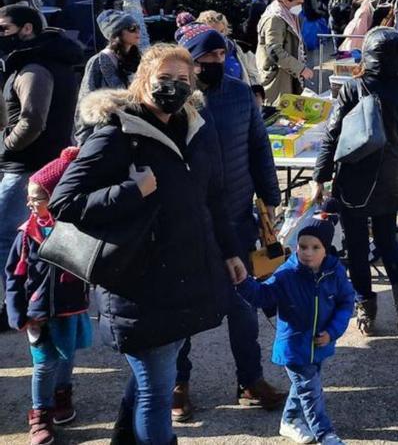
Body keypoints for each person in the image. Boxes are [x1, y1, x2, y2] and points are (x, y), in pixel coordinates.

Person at [51, 44, 244, 445]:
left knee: (151, 381)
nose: (172, 89)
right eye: (164, 80)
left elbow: (213, 199)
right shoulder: (119, 133)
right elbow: (64, 202)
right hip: (138, 285)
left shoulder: (195, 129)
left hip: (185, 280)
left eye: (182, 81)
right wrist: (131, 191)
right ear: (143, 81)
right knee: (157, 393)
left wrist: (230, 252)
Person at [167, 24, 285, 421]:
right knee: (181, 308)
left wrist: (271, 194)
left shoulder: (239, 93)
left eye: (220, 56)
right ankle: (177, 384)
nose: (215, 63)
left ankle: (250, 380)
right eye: (206, 57)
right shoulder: (174, 99)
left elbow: (258, 145)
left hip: (236, 217)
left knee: (243, 306)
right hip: (186, 220)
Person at [313, 28, 398, 337]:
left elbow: (332, 135)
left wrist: (320, 176)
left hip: (354, 179)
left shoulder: (352, 88)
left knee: (357, 247)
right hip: (390, 177)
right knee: (388, 241)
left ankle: (366, 307)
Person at [235, 221, 353, 445]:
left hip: (320, 345)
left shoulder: (335, 272)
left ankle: (289, 421)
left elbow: (346, 303)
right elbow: (263, 295)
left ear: (327, 249)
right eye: (302, 246)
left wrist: (332, 332)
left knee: (304, 387)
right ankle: (325, 434)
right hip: (295, 347)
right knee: (311, 390)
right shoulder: (287, 274)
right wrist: (243, 283)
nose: (307, 253)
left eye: (315, 247)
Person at [6, 147, 91, 445]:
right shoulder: (25, 235)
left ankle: (62, 394)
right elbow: (13, 276)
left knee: (66, 356)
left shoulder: (75, 231)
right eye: (29, 196)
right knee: (43, 365)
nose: (29, 202)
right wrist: (17, 313)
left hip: (69, 310)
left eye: (37, 197)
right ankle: (40, 415)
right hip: (38, 315)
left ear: (56, 199)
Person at [0, 5, 83, 261]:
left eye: (4, 28)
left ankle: (14, 299)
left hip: (26, 167)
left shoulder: (34, 68)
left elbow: (32, 121)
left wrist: (7, 145)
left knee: (5, 237)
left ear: (27, 29)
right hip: (41, 164)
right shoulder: (45, 61)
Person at [76, 9, 141, 143]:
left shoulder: (139, 59)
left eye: (138, 27)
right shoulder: (98, 61)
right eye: (131, 28)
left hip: (137, 130)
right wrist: (83, 141)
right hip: (107, 132)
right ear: (116, 33)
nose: (137, 32)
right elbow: (85, 101)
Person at [257, 0, 313, 105]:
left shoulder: (288, 14)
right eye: (298, 3)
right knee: (276, 115)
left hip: (287, 73)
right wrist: (301, 69)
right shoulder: (275, 18)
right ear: (286, 0)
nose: (300, 7)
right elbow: (274, 51)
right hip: (277, 77)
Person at [197, 10, 259, 86]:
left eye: (221, 31)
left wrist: (255, 93)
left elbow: (254, 75)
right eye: (213, 33)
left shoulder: (240, 49)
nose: (219, 35)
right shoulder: (198, 56)